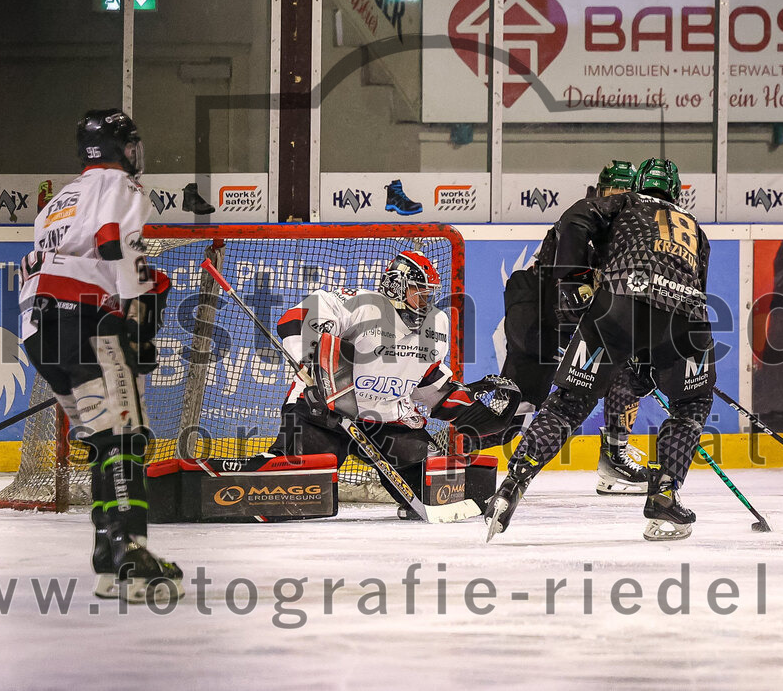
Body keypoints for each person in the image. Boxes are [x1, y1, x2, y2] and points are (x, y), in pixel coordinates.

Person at [485, 158, 715, 542]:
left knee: (569, 403)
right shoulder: (696, 230)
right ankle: (664, 494)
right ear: (677, 193)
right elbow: (696, 289)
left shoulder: (626, 203)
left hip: (616, 307)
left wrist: (572, 279)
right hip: (685, 318)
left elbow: (575, 217)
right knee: (691, 403)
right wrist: (657, 360)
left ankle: (512, 485)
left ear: (637, 185)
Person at [18, 109, 183, 602]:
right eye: (129, 145)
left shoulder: (59, 199)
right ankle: (132, 555)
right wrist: (139, 315)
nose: (133, 154)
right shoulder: (120, 184)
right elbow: (116, 241)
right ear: (118, 148)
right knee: (126, 437)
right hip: (87, 322)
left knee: (102, 438)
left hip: (37, 327)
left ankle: (107, 557)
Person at [269, 250, 519, 519]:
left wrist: (469, 405)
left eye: (428, 294)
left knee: (438, 490)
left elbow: (427, 381)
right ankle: (270, 471)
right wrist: (313, 355)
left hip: (389, 420)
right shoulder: (360, 305)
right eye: (418, 292)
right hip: (324, 411)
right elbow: (296, 319)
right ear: (395, 286)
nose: (425, 301)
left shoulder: (436, 324)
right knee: (296, 492)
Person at [499, 160, 650, 495]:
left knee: (625, 371)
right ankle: (452, 451)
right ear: (601, 190)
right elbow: (566, 287)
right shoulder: (583, 220)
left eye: (626, 192)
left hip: (573, 318)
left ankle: (615, 456)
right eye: (614, 190)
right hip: (541, 315)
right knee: (516, 407)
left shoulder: (629, 233)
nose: (619, 198)